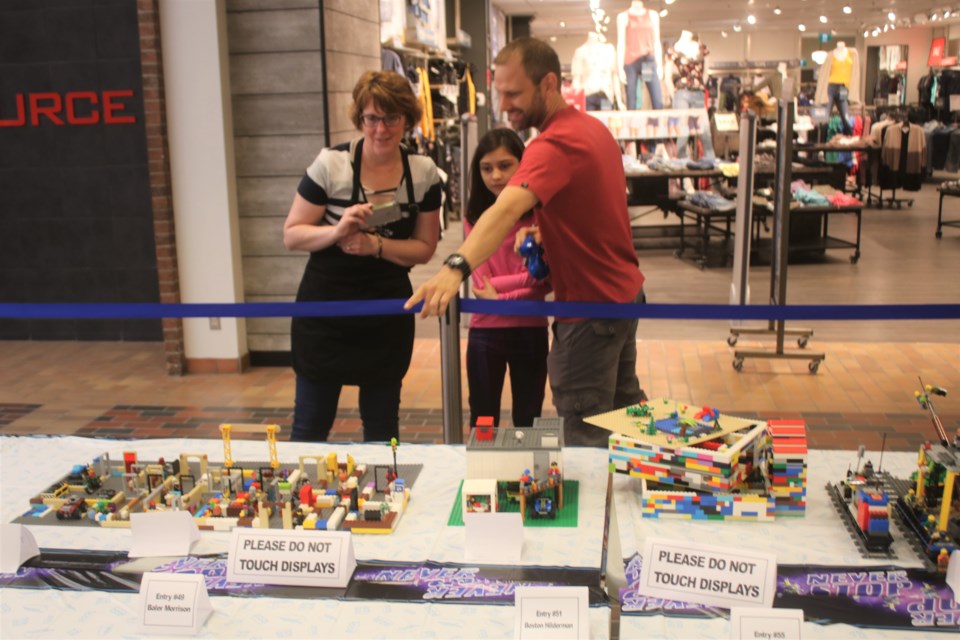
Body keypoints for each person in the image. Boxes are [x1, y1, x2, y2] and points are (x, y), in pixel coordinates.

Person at [405, 37, 646, 447]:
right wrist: (547, 230)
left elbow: (502, 210)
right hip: (620, 300)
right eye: (499, 92)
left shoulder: (553, 144)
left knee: (585, 436)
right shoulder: (592, 129)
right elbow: (594, 210)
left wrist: (454, 268)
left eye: (514, 93)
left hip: (589, 314)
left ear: (549, 83)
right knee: (624, 425)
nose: (504, 104)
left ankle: (595, 511)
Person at [284, 70, 442, 442]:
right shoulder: (331, 164)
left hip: (384, 313)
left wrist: (377, 246)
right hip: (325, 312)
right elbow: (292, 234)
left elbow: (425, 248)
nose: (381, 129)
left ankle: (386, 498)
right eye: (372, 118)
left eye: (391, 118)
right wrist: (338, 230)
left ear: (407, 119)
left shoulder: (422, 174)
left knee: (382, 429)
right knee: (309, 427)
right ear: (360, 119)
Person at [465, 128, 551, 429]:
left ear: (522, 165)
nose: (496, 176)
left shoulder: (541, 216)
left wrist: (499, 298)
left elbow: (542, 280)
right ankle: (484, 476)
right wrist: (517, 287)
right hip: (485, 332)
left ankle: (524, 477)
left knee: (528, 421)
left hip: (530, 329)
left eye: (504, 165)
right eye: (487, 168)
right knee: (483, 419)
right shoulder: (474, 216)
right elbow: (479, 281)